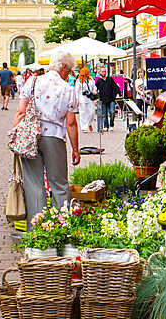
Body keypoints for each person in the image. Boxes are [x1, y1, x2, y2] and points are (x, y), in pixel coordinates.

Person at [12, 50, 81, 219]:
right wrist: (75, 149)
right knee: (59, 184)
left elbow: (21, 112)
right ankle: (62, 226)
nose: (68, 75)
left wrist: (15, 136)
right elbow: (70, 123)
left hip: (30, 136)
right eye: (69, 71)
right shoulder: (68, 89)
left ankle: (36, 230)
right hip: (54, 137)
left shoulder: (33, 81)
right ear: (63, 67)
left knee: (34, 184)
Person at [94, 65, 121, 132]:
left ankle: (111, 124)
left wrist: (117, 94)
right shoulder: (98, 81)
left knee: (112, 112)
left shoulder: (110, 79)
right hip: (103, 100)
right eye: (102, 71)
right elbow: (95, 90)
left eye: (105, 71)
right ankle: (106, 126)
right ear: (99, 72)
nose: (104, 73)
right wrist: (95, 98)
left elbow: (115, 87)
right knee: (104, 114)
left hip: (111, 99)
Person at [75, 66, 97, 132]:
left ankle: (89, 123)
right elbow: (77, 90)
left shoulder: (91, 79)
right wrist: (77, 99)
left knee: (92, 112)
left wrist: (94, 90)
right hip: (82, 98)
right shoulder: (79, 81)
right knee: (83, 113)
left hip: (90, 98)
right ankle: (84, 127)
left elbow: (94, 86)